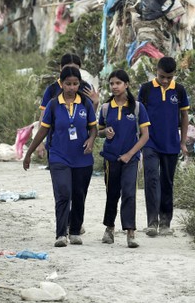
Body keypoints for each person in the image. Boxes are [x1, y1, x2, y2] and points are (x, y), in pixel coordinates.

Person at [23, 66, 98, 247]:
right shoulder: (54, 104)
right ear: (61, 83)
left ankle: (74, 231)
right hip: (59, 156)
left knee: (79, 195)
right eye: (68, 84)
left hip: (82, 157)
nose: (72, 87)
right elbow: (43, 130)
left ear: (79, 84)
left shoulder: (86, 103)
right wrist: (29, 152)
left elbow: (93, 127)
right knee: (63, 192)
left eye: (75, 84)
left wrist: (91, 139)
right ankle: (61, 234)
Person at [137, 56, 190, 237]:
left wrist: (182, 142)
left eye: (169, 77)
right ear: (156, 71)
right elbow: (139, 115)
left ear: (174, 74)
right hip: (150, 142)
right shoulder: (145, 89)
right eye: (162, 77)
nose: (165, 81)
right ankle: (152, 222)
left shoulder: (180, 91)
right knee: (151, 179)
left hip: (171, 143)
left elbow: (184, 118)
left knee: (167, 181)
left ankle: (165, 221)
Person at [98, 70, 150, 248]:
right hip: (111, 158)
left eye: (118, 83)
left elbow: (145, 136)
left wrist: (129, 154)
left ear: (126, 84)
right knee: (112, 193)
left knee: (129, 193)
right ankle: (109, 229)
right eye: (112, 83)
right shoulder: (106, 108)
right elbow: (98, 131)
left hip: (132, 158)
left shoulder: (136, 108)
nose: (114, 86)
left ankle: (130, 232)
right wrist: (105, 132)